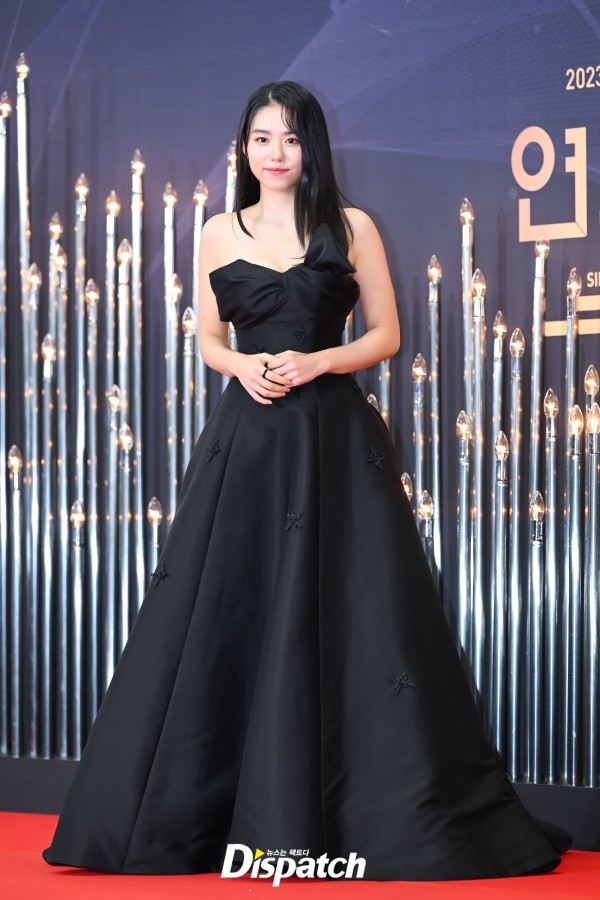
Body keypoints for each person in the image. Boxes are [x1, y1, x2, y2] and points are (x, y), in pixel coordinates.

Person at [43, 81, 566, 880]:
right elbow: (208, 338)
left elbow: (386, 334)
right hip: (248, 446)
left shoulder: (353, 227)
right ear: (243, 148)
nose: (275, 153)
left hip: (333, 443)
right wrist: (242, 366)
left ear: (311, 146)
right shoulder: (217, 232)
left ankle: (362, 810)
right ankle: (213, 820)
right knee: (230, 613)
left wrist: (319, 360)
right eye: (261, 138)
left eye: (289, 138)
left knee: (357, 616)